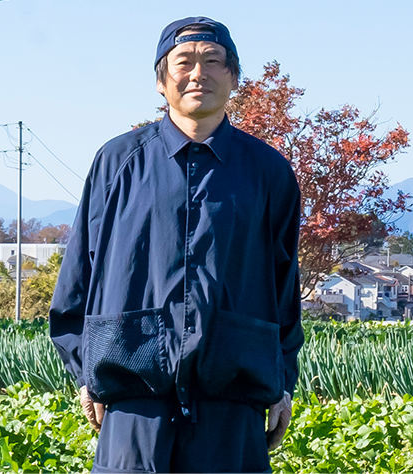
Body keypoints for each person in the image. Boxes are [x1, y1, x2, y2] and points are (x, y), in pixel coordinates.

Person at [49, 16, 303, 474]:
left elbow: (284, 286)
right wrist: (87, 373)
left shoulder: (268, 172)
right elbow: (77, 280)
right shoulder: (117, 162)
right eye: (183, 62)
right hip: (133, 403)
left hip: (232, 401)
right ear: (161, 80)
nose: (197, 73)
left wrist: (283, 380)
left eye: (213, 62)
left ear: (234, 78)